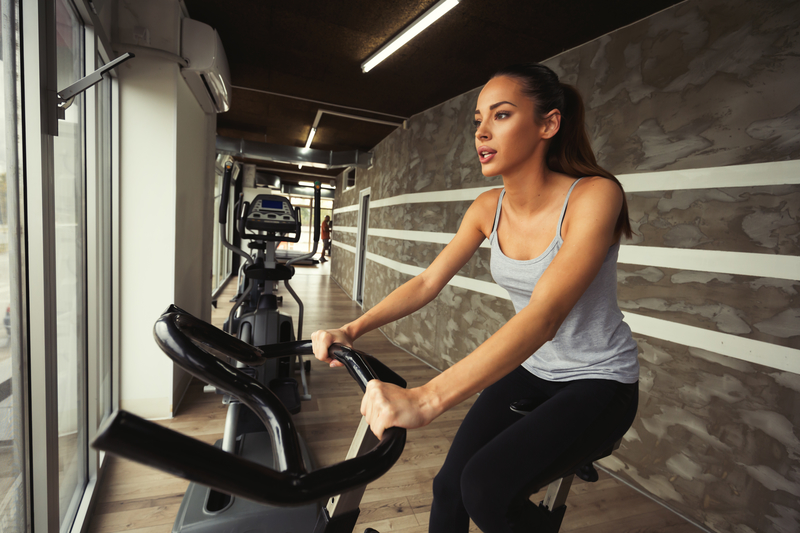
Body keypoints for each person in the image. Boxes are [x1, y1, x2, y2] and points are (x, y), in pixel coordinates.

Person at [311, 63, 640, 532]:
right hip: (533, 370)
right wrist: (351, 328)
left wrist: (426, 399)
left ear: (548, 124)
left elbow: (545, 314)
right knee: (449, 489)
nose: (482, 131)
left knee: (485, 489)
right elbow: (427, 282)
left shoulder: (594, 196)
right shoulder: (489, 207)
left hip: (600, 382)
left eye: (501, 116)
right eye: (477, 121)